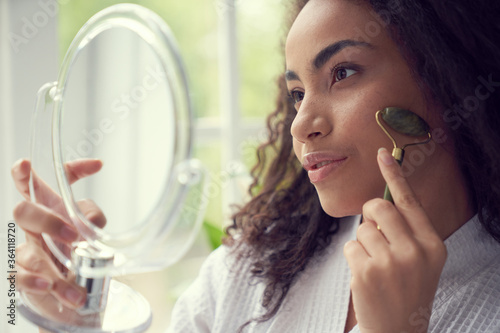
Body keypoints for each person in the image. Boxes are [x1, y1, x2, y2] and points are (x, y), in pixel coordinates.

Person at [12, 0, 500, 332]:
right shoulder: (253, 269)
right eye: (296, 93)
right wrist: (80, 316)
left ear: (445, 75)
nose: (300, 124)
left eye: (343, 72)